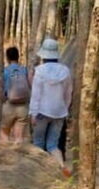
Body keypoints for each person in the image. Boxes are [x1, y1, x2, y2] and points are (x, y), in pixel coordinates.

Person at [29, 38, 72, 170]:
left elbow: (36, 95)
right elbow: (68, 93)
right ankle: (62, 167)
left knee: (38, 143)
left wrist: (33, 113)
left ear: (43, 55)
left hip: (42, 112)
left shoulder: (39, 71)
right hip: (59, 112)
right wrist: (65, 109)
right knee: (53, 145)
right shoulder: (65, 71)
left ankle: (38, 171)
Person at [0, 46, 30, 143]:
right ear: (18, 57)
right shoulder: (25, 70)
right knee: (19, 137)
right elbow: (29, 85)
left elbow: (1, 88)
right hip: (23, 106)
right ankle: (18, 154)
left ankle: (5, 156)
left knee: (4, 134)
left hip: (9, 105)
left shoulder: (5, 71)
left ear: (7, 57)